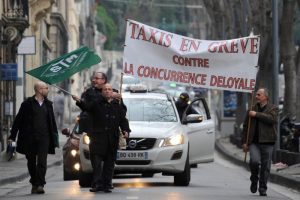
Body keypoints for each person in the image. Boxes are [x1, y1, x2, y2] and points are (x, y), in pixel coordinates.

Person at [74, 83, 130, 193]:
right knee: (97, 164)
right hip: (97, 139)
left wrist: (126, 130)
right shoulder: (96, 103)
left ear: (112, 92)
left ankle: (107, 184)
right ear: (102, 92)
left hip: (112, 139)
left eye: (109, 89)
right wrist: (79, 101)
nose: (107, 91)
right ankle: (97, 184)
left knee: (109, 164)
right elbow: (86, 107)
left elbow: (123, 119)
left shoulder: (117, 104)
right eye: (105, 89)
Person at [8, 81, 59, 194]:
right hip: (29, 138)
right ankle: (34, 182)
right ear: (39, 90)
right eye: (46, 88)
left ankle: (40, 184)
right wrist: (12, 136)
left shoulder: (48, 104)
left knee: (42, 161)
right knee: (31, 162)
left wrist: (55, 137)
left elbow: (52, 122)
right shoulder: (27, 104)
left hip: (44, 138)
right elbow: (18, 120)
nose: (48, 90)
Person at [242, 87, 278, 196]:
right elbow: (245, 126)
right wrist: (245, 142)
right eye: (256, 94)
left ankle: (262, 187)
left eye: (259, 95)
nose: (256, 96)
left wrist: (256, 115)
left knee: (265, 166)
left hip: (268, 142)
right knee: (254, 161)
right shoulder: (251, 109)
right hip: (254, 142)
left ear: (265, 97)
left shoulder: (273, 108)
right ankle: (254, 178)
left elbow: (272, 120)